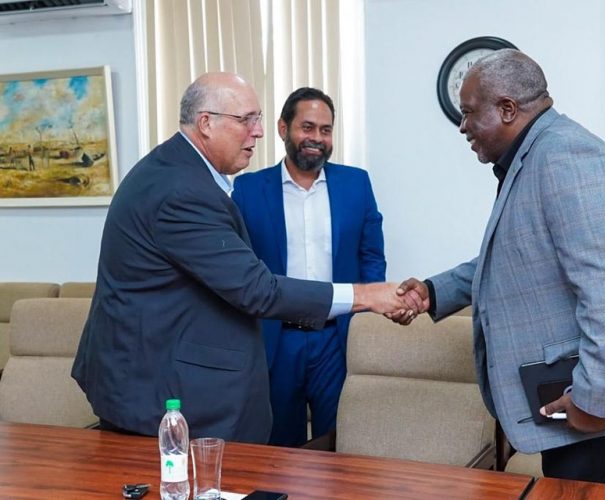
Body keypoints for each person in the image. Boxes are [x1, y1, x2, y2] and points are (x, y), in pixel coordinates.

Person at [393, 50, 605, 489]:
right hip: (590, 402)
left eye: (468, 114)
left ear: (507, 109)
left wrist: (593, 401)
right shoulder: (537, 154)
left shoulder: (566, 159)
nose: (462, 127)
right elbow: (518, 257)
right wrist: (433, 290)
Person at [71, 72, 405, 444]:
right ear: (206, 123)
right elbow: (255, 288)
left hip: (164, 374)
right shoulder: (184, 191)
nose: (258, 132)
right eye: (246, 120)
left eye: (257, 119)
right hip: (156, 386)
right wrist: (367, 296)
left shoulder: (177, 172)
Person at [231, 87, 386, 447]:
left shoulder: (355, 184)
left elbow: (371, 257)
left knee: (338, 443)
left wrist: (366, 314)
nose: (316, 138)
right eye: (308, 127)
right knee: (279, 446)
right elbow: (240, 265)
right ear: (284, 128)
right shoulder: (249, 189)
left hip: (336, 338)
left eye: (326, 130)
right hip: (276, 338)